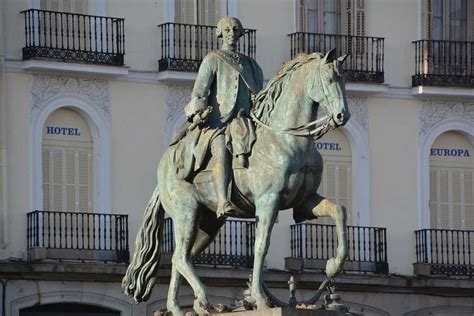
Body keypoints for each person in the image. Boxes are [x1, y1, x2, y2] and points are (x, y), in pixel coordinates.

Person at [183, 16, 263, 218]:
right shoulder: (213, 59)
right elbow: (199, 92)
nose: (232, 35)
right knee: (221, 150)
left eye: (236, 30)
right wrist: (199, 112)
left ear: (241, 34)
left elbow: (258, 95)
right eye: (227, 30)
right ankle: (222, 200)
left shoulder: (251, 65)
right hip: (219, 124)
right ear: (220, 33)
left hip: (246, 122)